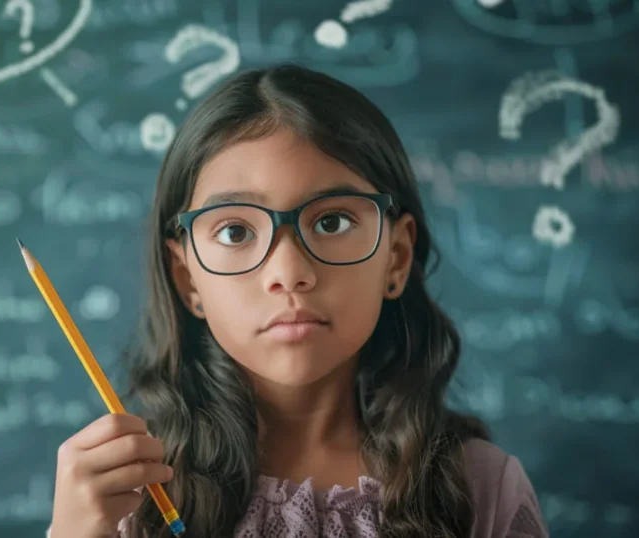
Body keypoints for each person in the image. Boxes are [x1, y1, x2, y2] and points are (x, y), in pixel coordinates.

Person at [47, 63, 549, 538]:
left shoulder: (482, 491)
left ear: (396, 257)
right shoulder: (123, 499)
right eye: (236, 230)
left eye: (332, 222)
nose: (289, 274)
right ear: (188, 279)